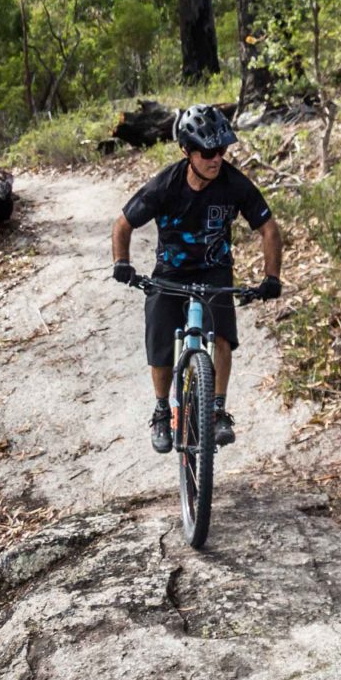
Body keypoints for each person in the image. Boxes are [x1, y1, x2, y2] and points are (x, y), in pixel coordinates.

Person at [110, 104, 284, 453]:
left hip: (214, 269)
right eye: (207, 152)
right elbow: (123, 225)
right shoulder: (166, 185)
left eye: (221, 150)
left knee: (221, 335)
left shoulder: (234, 184)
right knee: (159, 337)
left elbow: (269, 229)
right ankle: (162, 411)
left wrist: (271, 277)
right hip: (170, 273)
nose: (216, 159)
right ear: (187, 151)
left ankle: (217, 409)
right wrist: (122, 263)